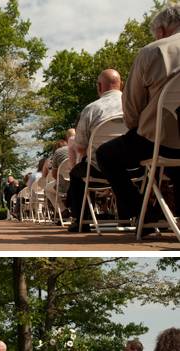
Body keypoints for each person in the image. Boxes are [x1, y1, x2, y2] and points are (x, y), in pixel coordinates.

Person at [97, 4, 180, 236]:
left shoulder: (153, 51)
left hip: (160, 142)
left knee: (105, 155)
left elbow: (131, 111)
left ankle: (143, 212)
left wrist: (137, 127)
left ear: (161, 29)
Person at [67, 69, 123, 233]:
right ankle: (138, 214)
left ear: (99, 87)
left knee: (76, 174)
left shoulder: (91, 110)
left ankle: (81, 220)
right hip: (136, 167)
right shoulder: (135, 104)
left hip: (98, 170)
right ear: (121, 85)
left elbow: (81, 147)